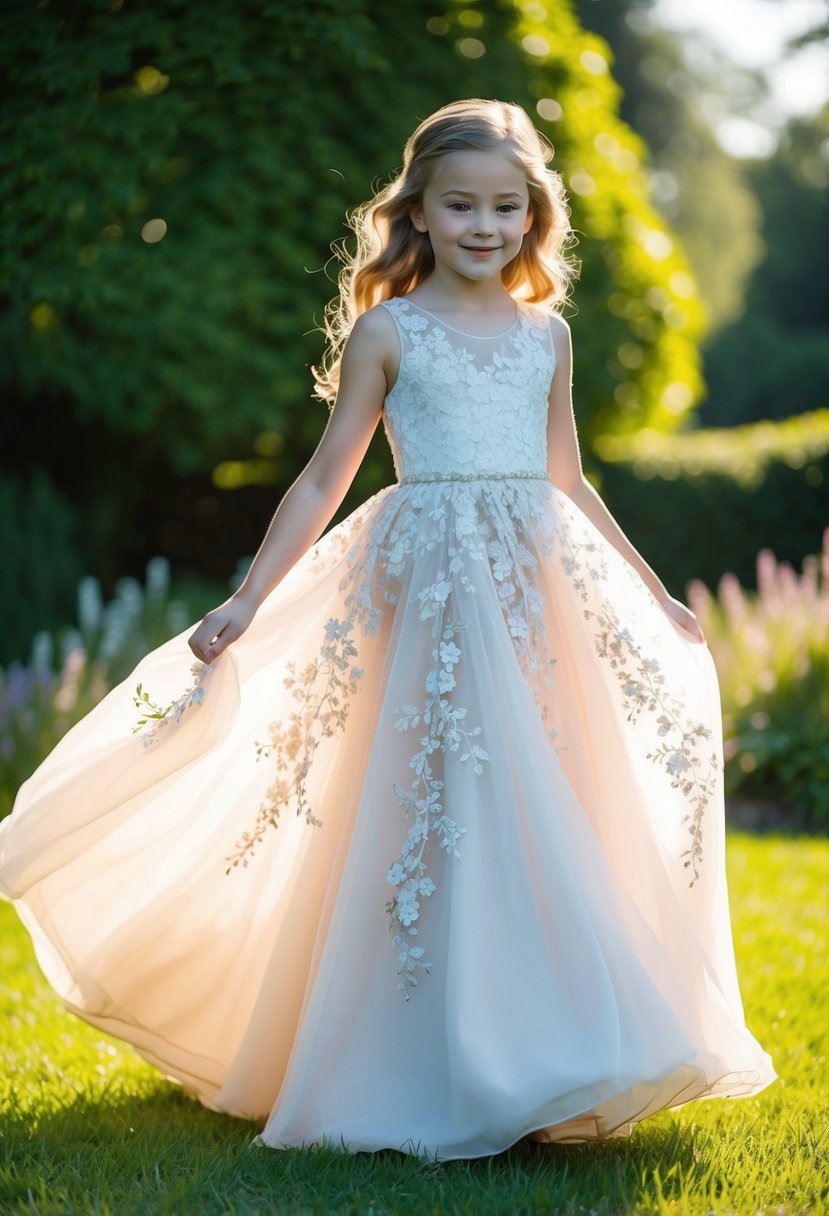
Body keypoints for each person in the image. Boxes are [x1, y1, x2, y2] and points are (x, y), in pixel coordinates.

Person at [0, 98, 776, 1160]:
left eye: (506, 207)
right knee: (437, 804)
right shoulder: (390, 330)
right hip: (428, 598)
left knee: (542, 805)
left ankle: (546, 1047)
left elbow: (568, 477)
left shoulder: (546, 334)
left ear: (534, 217)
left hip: (533, 592)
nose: (484, 226)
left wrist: (648, 587)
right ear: (417, 213)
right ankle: (421, 1052)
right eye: (461, 206)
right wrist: (249, 596)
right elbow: (325, 475)